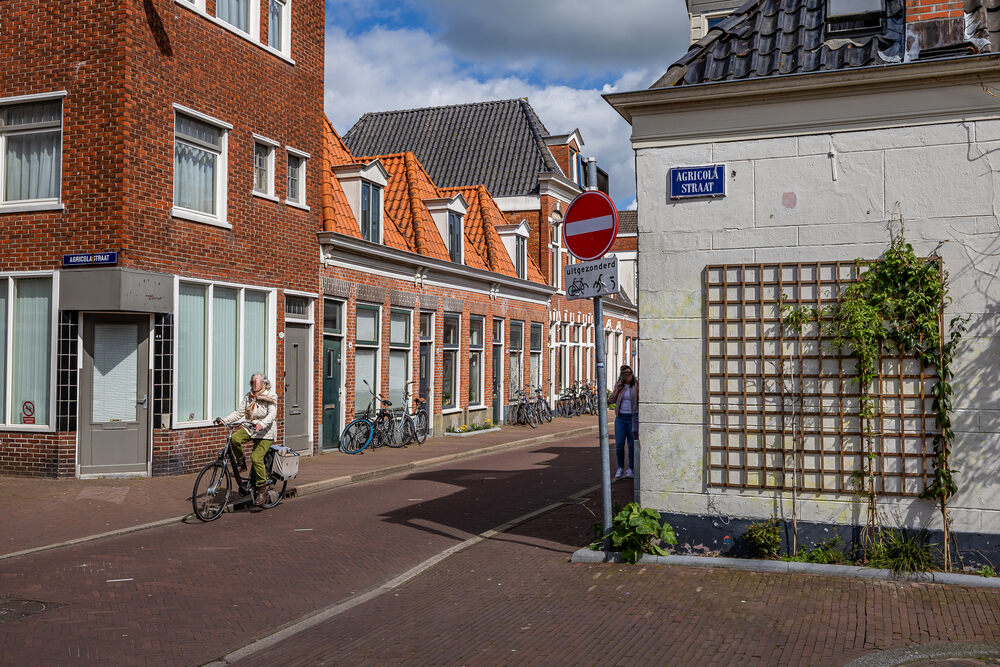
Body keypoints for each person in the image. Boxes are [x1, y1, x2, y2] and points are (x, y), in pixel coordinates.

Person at [215, 373, 277, 506]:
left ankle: (262, 490)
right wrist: (225, 420)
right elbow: (239, 413)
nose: (254, 386)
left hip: (265, 432)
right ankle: (241, 463)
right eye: (252, 383)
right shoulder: (249, 396)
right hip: (250, 428)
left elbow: (272, 414)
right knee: (234, 439)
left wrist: (262, 424)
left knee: (256, 458)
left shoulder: (270, 396)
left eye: (257, 383)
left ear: (264, 384)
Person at [608, 364, 639, 480]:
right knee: (619, 444)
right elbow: (611, 400)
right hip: (620, 418)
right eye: (624, 374)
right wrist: (617, 389)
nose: (627, 376)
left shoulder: (636, 385)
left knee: (631, 445)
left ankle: (630, 468)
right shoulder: (619, 385)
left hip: (632, 418)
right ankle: (620, 467)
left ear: (632, 374)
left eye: (629, 373)